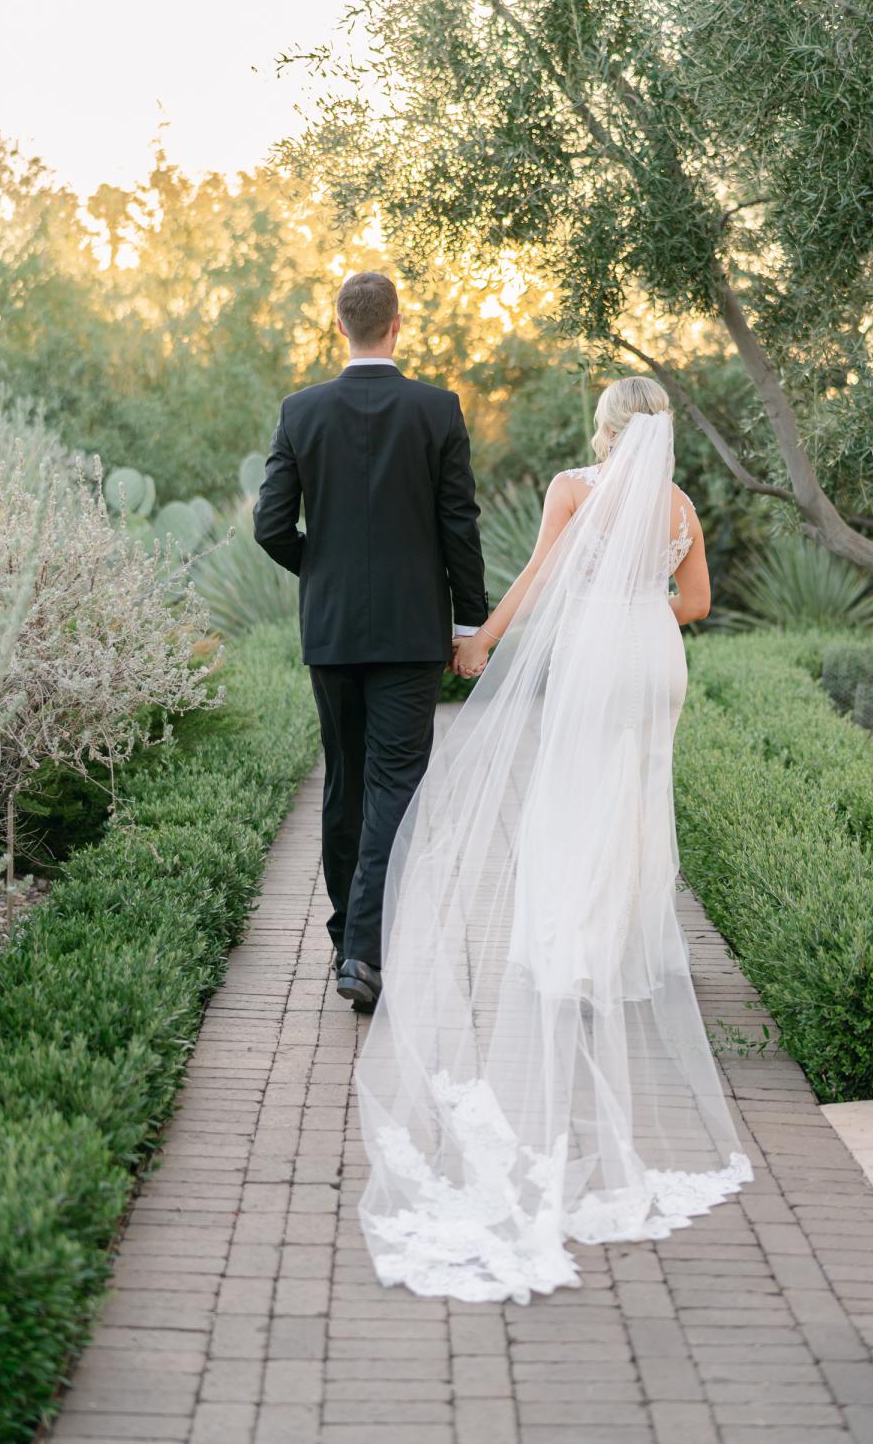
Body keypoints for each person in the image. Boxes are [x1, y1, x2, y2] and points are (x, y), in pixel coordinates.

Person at [355, 374, 753, 1304]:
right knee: (634, 799)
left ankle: (564, 945)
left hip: (592, 659)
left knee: (570, 795)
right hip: (654, 656)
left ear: (607, 428)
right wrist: (640, 591)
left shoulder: (576, 487)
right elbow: (695, 604)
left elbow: (537, 581)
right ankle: (613, 947)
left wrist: (482, 637)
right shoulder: (680, 504)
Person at [253, 271, 489, 1014]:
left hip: (331, 633)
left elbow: (269, 527)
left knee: (346, 783)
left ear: (341, 326)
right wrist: (469, 624)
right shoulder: (437, 410)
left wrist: (319, 573)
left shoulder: (301, 410)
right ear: (396, 325)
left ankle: (349, 936)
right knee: (393, 787)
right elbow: (460, 525)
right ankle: (362, 949)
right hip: (411, 633)